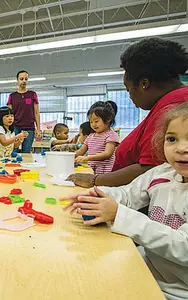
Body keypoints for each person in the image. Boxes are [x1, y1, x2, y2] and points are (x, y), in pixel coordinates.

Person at [63, 102, 188, 300]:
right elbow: (129, 194)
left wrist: (118, 214)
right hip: (147, 267)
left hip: (177, 291)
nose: (181, 148)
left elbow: (183, 247)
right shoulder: (162, 172)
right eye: (172, 139)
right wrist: (99, 195)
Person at [68, 37, 188, 188]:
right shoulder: (166, 102)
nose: (129, 95)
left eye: (128, 88)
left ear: (144, 83)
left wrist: (95, 180)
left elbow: (153, 168)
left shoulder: (174, 106)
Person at [74, 101, 119, 174]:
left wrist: (88, 158)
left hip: (105, 172)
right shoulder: (91, 136)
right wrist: (69, 156)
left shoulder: (111, 135)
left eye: (96, 121)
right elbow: (81, 151)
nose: (93, 125)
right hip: (92, 170)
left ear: (108, 119)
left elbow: (107, 153)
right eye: (91, 122)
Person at [7, 70, 41, 153]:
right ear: (17, 80)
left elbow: (36, 112)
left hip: (29, 127)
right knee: (13, 150)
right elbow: (8, 114)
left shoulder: (32, 94)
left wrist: (38, 129)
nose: (24, 81)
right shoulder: (12, 96)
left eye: (26, 79)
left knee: (26, 151)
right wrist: (7, 128)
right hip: (15, 126)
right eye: (21, 79)